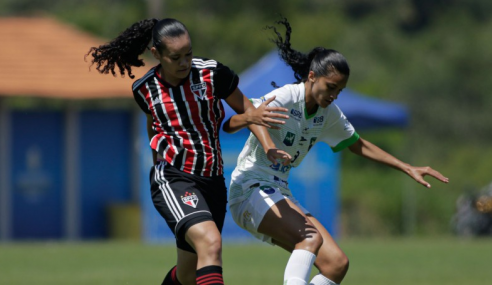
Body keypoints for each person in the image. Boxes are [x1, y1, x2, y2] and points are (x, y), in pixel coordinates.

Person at [225, 17, 449, 285]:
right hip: (249, 188)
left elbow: (359, 145)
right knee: (310, 238)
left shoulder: (328, 114)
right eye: (330, 87)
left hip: (278, 190)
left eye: (339, 90)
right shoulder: (287, 96)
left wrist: (406, 166)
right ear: (312, 77)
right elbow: (248, 114)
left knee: (336, 264)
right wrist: (269, 146)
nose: (334, 95)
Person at [86, 18, 292, 285]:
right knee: (211, 242)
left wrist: (269, 146)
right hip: (174, 177)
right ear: (156, 54)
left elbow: (248, 111)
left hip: (212, 181)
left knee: (187, 273)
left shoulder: (212, 74)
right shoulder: (145, 89)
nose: (184, 62)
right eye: (175, 57)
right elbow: (153, 128)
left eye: (188, 54)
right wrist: (158, 170)